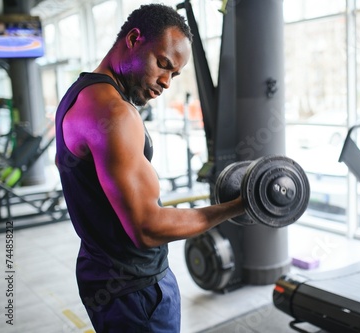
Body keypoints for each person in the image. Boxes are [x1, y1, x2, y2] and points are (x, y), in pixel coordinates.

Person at [55, 4, 244, 332]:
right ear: (133, 39)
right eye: (163, 64)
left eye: (174, 74)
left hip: (102, 274)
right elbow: (147, 228)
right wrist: (236, 207)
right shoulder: (115, 114)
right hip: (137, 291)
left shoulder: (79, 95)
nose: (166, 82)